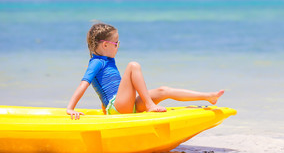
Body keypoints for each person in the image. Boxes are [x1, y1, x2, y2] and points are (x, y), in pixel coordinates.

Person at [67, 23, 224, 120]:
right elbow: (83, 84)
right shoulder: (96, 63)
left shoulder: (108, 61)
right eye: (116, 43)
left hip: (126, 105)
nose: (118, 46)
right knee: (133, 66)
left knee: (164, 90)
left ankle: (208, 97)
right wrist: (70, 108)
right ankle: (149, 105)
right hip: (117, 108)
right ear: (105, 45)